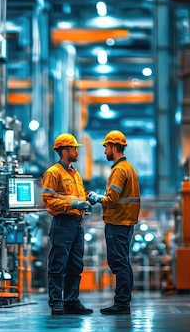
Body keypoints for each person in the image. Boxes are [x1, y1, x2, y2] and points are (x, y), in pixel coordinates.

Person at [88, 130, 140, 315]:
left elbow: (112, 199)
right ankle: (122, 303)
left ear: (114, 147)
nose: (105, 152)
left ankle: (122, 304)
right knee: (122, 263)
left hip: (118, 221)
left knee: (119, 264)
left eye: (106, 147)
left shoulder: (119, 170)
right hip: (125, 222)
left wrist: (95, 197)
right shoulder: (129, 168)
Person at [41, 133, 93, 316]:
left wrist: (88, 198)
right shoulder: (53, 173)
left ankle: (71, 301)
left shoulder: (75, 173)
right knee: (58, 265)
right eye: (73, 148)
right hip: (62, 224)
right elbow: (48, 201)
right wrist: (73, 204)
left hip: (77, 224)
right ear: (64, 151)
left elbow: (79, 195)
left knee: (75, 266)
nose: (77, 152)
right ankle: (56, 303)